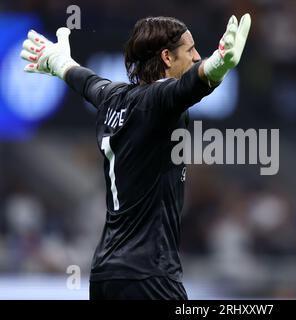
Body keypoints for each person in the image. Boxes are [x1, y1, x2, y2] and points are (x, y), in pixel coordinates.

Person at [20, 14, 251, 300]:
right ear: (166, 57)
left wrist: (60, 63)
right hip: (148, 275)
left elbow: (87, 82)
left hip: (106, 275)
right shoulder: (158, 100)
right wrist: (219, 64)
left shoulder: (112, 97)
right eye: (190, 49)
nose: (195, 56)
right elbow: (190, 85)